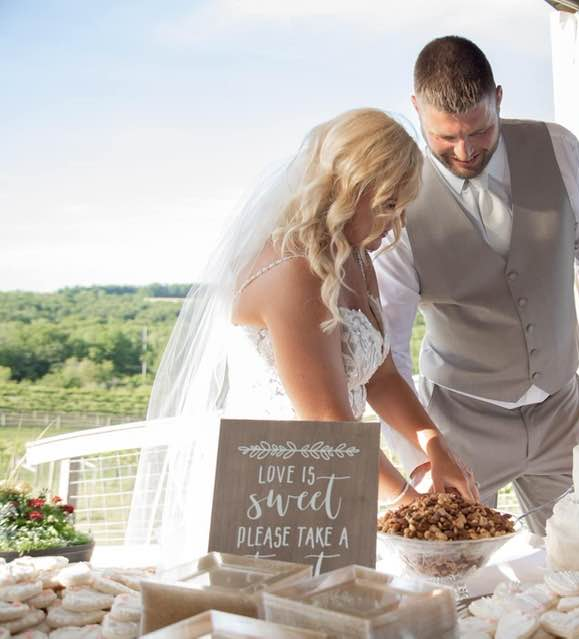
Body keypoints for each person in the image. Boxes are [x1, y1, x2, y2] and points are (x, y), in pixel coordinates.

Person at [127, 109, 478, 564]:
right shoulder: (294, 268)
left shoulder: (355, 259)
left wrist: (435, 447)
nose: (396, 225)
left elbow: (383, 376)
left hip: (332, 479)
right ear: (349, 188)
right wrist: (411, 503)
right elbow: (328, 422)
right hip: (272, 493)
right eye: (389, 206)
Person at [374, 37, 579, 534]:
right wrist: (419, 457)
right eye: (445, 138)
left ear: (498, 97)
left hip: (565, 411)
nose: (465, 150)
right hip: (458, 423)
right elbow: (390, 349)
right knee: (458, 582)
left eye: (479, 130)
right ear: (415, 110)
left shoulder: (557, 149)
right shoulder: (397, 197)